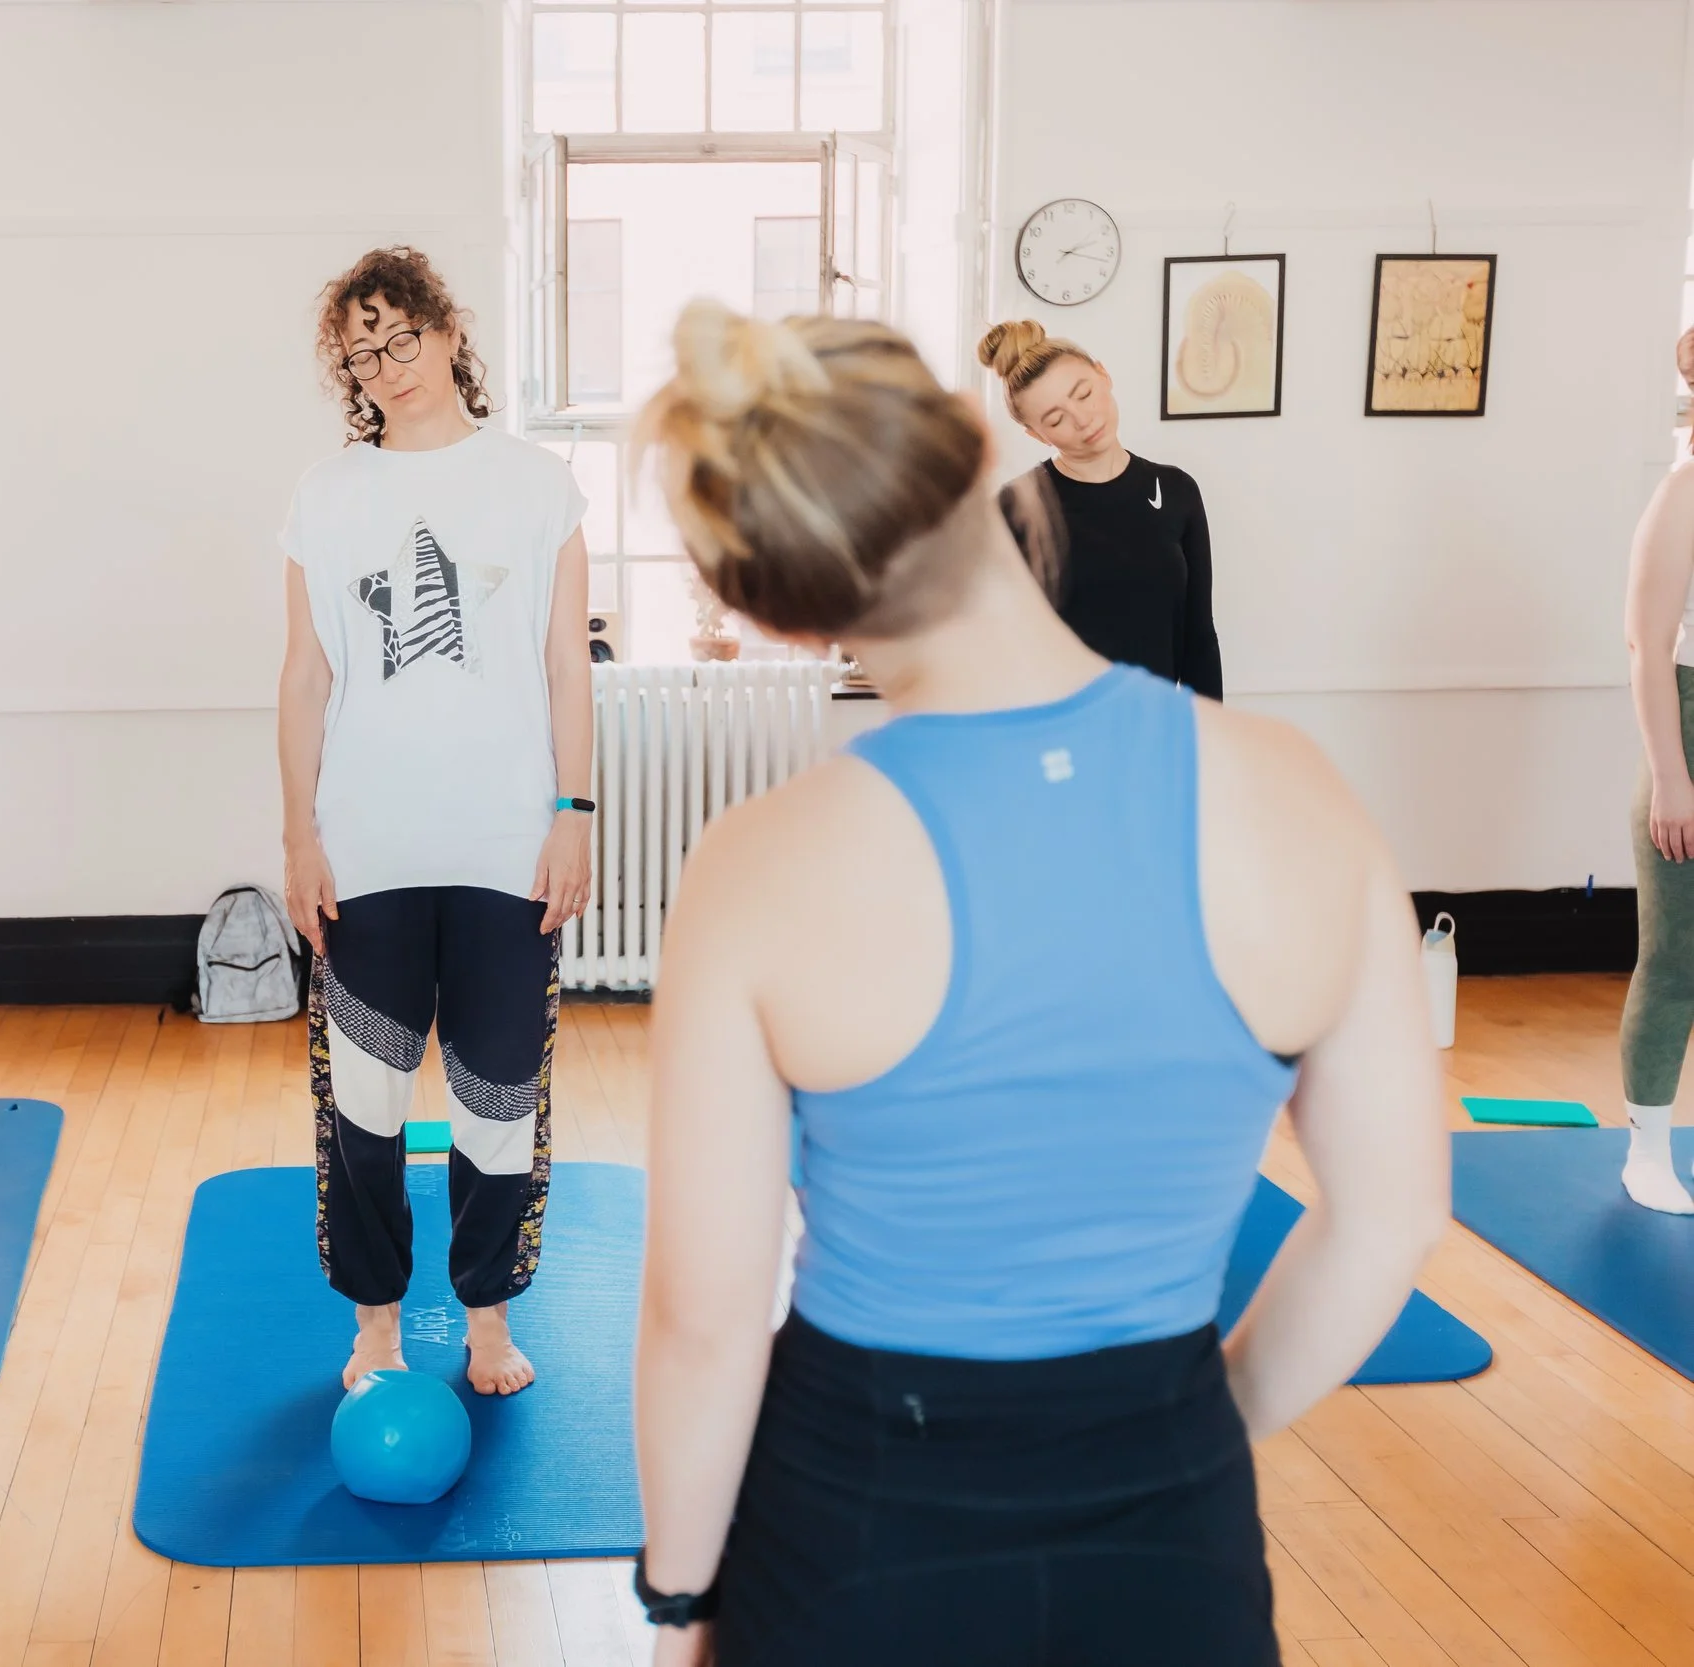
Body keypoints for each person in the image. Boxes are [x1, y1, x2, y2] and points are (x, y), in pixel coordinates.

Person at [629, 303, 1446, 1663]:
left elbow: (705, 1320)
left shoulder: (757, 868)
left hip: (856, 1530)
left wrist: (679, 1602)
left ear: (773, 611)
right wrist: (1188, 1432)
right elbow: (1395, 1218)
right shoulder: (1296, 793)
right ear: (971, 446)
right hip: (1169, 1533)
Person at [276, 246, 594, 1396]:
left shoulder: (535, 483)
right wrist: (298, 835)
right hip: (365, 848)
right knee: (360, 1105)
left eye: (399, 336)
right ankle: (373, 1327)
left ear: (448, 332)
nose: (386, 366)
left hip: (508, 846)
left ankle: (488, 1319)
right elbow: (304, 676)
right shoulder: (326, 491)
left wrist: (574, 810)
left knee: (498, 1098)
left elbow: (568, 663)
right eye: (361, 353)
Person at [980, 319, 1224, 696]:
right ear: (1035, 434)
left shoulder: (1175, 491)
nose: (1083, 419)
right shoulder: (1016, 507)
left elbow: (1199, 637)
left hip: (1155, 729)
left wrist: (1207, 742)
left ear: (1103, 375)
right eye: (1056, 419)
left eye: (1083, 393)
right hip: (1056, 735)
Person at [1616, 324, 1694, 1214]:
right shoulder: (1682, 493)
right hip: (1688, 731)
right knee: (1676, 958)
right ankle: (1647, 1152)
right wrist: (1671, 776)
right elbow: (1646, 646)